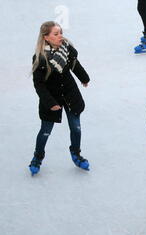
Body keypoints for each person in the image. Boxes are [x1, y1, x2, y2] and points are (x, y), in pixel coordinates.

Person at [29, 21, 90, 176]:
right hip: (51, 99)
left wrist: (84, 78)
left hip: (70, 94)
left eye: (61, 32)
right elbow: (39, 85)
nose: (60, 36)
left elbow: (75, 65)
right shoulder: (40, 58)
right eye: (56, 34)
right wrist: (50, 103)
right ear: (46, 37)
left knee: (76, 128)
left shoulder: (66, 50)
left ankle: (76, 154)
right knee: (45, 131)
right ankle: (37, 157)